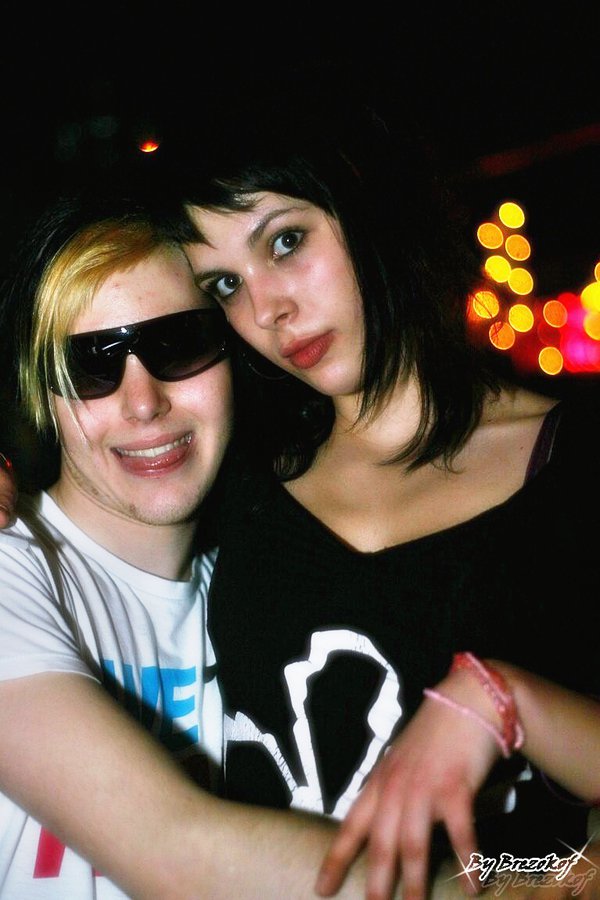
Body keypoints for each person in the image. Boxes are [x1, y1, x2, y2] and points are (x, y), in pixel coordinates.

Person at [1, 88, 599, 899]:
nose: (267, 309)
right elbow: (179, 847)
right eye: (223, 286)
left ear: (368, 204)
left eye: (285, 241)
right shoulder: (241, 492)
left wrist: (509, 706)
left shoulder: (573, 470)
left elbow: (570, 861)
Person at [0, 193, 394, 900]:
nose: (143, 402)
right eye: (92, 366)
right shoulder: (11, 566)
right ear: (44, 394)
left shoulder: (262, 588)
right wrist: (519, 887)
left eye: (178, 345)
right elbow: (180, 854)